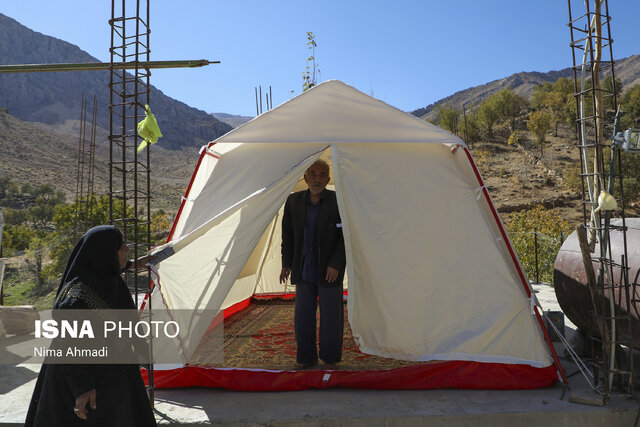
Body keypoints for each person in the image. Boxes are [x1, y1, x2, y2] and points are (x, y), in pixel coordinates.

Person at [25, 225, 157, 427]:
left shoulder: (103, 276)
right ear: (106, 255)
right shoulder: (76, 299)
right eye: (122, 247)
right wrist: (82, 388)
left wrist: (132, 264)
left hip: (113, 378)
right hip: (88, 388)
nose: (127, 249)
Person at [280, 159, 346, 370]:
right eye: (313, 174)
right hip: (304, 268)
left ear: (328, 179)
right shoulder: (293, 202)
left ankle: (330, 359)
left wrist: (336, 263)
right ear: (306, 177)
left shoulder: (338, 201)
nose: (317, 179)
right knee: (303, 317)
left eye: (322, 175)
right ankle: (307, 358)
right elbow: (288, 236)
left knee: (331, 317)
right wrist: (286, 263)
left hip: (329, 271)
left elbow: (345, 236)